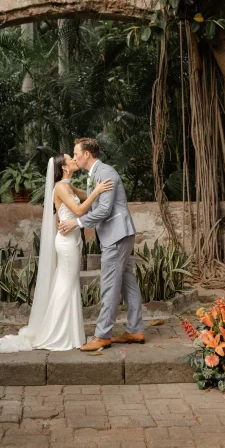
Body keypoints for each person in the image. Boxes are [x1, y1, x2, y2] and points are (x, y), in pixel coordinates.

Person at [0, 153, 114, 353]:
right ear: (64, 167)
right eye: (70, 158)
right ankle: (56, 333)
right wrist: (97, 191)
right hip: (66, 243)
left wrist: (97, 189)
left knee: (70, 283)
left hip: (74, 239)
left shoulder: (68, 185)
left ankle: (72, 333)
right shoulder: (59, 187)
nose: (74, 159)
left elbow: (86, 197)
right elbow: (80, 209)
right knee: (66, 285)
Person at [59, 138, 144, 352]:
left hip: (116, 236)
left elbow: (105, 210)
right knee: (128, 283)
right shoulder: (95, 174)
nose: (75, 156)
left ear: (87, 154)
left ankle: (102, 335)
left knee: (109, 285)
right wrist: (67, 187)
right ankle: (135, 330)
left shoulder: (105, 172)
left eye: (76, 153)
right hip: (119, 234)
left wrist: (76, 222)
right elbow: (91, 199)